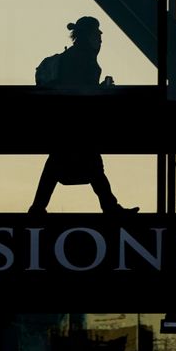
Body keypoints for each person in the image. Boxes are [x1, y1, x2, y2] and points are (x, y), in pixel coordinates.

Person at [29, 16, 138, 215]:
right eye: (97, 32)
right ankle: (110, 208)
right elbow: (80, 90)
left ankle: (38, 208)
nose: (101, 36)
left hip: (68, 122)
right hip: (76, 122)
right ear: (88, 35)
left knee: (61, 164)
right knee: (90, 165)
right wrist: (101, 90)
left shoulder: (76, 56)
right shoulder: (83, 58)